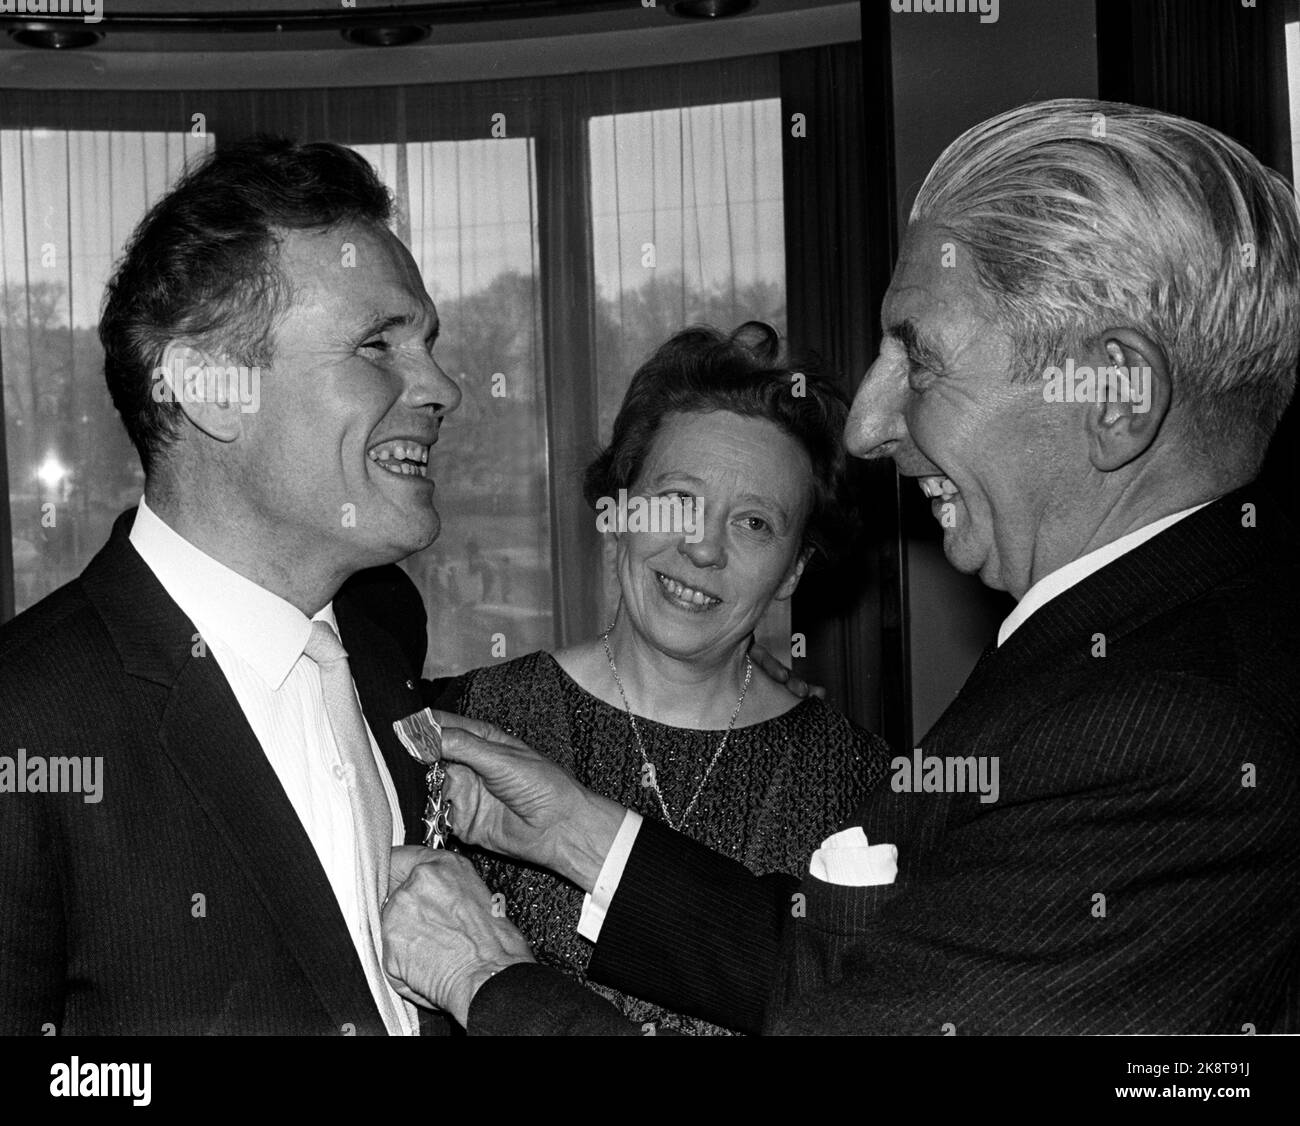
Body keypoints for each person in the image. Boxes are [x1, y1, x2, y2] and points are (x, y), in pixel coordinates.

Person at [381, 98, 1300, 1035]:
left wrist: (489, 974)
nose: (868, 424)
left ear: (1116, 395)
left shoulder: (1171, 732)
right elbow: (873, 977)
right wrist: (577, 831)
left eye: (921, 356)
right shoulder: (1146, 661)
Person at [0, 138, 464, 1035]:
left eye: (431, 344)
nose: (442, 386)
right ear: (212, 390)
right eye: (378, 343)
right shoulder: (27, 721)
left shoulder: (384, 630)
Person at [439, 323, 889, 1033]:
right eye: (677, 500)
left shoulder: (864, 787)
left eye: (753, 523)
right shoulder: (471, 726)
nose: (702, 546)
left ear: (795, 569)